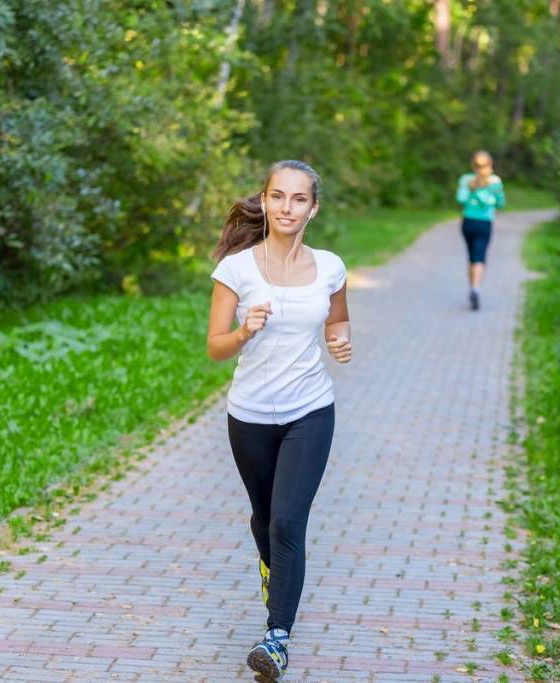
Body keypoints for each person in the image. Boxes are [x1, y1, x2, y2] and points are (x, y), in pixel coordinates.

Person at [206, 160, 352, 681]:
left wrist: (340, 342)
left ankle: (276, 637)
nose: (286, 207)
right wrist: (245, 331)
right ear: (264, 202)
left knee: (289, 520)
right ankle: (274, 571)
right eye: (277, 196)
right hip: (248, 415)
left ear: (313, 208)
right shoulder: (237, 270)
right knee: (264, 517)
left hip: (310, 410)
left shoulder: (331, 266)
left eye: (297, 199)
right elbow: (215, 347)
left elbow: (338, 321)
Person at [455, 150, 506, 311]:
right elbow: (501, 203)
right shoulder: (495, 181)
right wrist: (488, 199)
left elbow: (460, 199)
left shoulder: (466, 179)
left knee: (471, 256)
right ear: (490, 165)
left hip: (468, 222)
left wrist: (473, 194)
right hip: (484, 222)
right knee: (480, 256)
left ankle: (472, 288)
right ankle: (475, 289)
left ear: (473, 165)